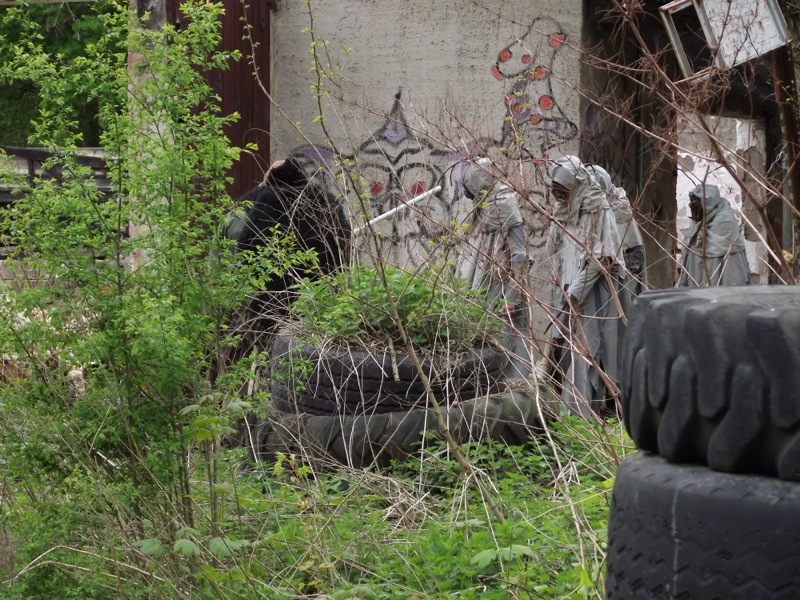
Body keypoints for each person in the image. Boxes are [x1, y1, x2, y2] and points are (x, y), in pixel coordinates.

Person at [547, 155, 630, 418]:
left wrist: (576, 291)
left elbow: (603, 257)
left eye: (561, 187)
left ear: (575, 184)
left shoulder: (598, 207)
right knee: (568, 349)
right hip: (568, 288)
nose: (556, 193)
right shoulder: (563, 209)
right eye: (554, 187)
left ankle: (587, 412)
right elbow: (556, 249)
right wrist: (561, 286)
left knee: (591, 349)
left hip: (593, 292)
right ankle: (571, 411)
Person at [457, 157, 532, 378]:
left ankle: (513, 385)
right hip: (481, 282)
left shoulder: (505, 204)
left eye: (468, 185)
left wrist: (511, 297)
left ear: (478, 181)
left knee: (506, 337)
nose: (466, 192)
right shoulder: (484, 205)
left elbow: (519, 254)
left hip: (500, 285)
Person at [587, 164, 646, 293]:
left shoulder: (619, 209)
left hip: (623, 280)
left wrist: (614, 265)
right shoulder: (590, 210)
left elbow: (636, 253)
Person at [676, 183, 749, 287]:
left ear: (707, 204)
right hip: (697, 282)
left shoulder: (725, 222)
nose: (692, 209)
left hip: (725, 280)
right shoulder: (698, 225)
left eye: (695, 207)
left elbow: (719, 252)